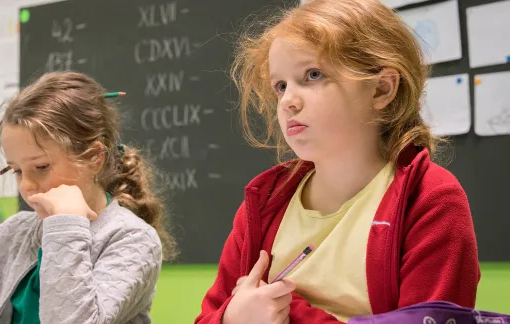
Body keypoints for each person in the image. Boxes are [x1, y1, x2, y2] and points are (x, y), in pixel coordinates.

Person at [196, 0, 480, 323]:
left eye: (313, 75)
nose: (288, 101)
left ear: (382, 89)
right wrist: (231, 317)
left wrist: (289, 313)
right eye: (281, 86)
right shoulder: (263, 205)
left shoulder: (431, 201)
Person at [0, 71, 177, 324]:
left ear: (94, 158)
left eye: (41, 167)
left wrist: (66, 225)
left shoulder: (133, 239)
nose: (26, 185)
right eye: (17, 170)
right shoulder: (15, 233)